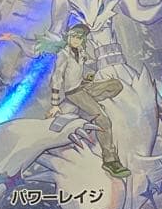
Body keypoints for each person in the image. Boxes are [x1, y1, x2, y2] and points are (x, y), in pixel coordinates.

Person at [47, 24, 130, 179]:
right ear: (68, 36)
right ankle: (110, 160)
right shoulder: (63, 54)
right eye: (73, 36)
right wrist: (55, 104)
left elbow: (88, 65)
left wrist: (88, 76)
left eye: (79, 37)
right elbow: (57, 77)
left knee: (115, 85)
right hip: (74, 93)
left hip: (83, 87)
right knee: (103, 120)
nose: (75, 40)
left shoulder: (81, 51)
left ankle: (89, 107)